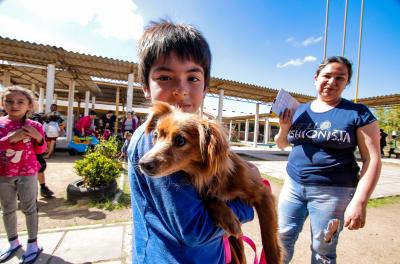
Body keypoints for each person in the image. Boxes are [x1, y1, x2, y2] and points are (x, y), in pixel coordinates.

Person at [127, 20, 255, 264]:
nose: (180, 90)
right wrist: (246, 207)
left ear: (206, 86)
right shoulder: (155, 142)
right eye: (165, 77)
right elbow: (196, 230)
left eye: (193, 78)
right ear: (145, 86)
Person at [274, 56, 382, 263]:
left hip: (333, 192)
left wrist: (360, 201)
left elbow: (372, 159)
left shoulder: (358, 113)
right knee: (281, 239)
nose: (332, 82)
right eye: (327, 75)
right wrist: (284, 127)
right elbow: (281, 144)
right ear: (316, 78)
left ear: (347, 83)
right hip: (293, 186)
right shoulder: (300, 110)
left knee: (323, 249)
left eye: (340, 78)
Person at [0, 86, 47, 263]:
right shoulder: (1, 124)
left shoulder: (34, 126)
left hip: (28, 173)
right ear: (3, 103)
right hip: (3, 174)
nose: (15, 105)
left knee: (29, 208)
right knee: (7, 208)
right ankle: (13, 241)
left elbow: (41, 150)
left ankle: (33, 243)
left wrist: (38, 137)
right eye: (9, 101)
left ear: (29, 106)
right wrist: (11, 138)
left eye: (21, 102)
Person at [29, 112, 54, 198]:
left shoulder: (35, 122)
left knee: (40, 168)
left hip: (35, 151)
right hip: (29, 152)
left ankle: (43, 188)